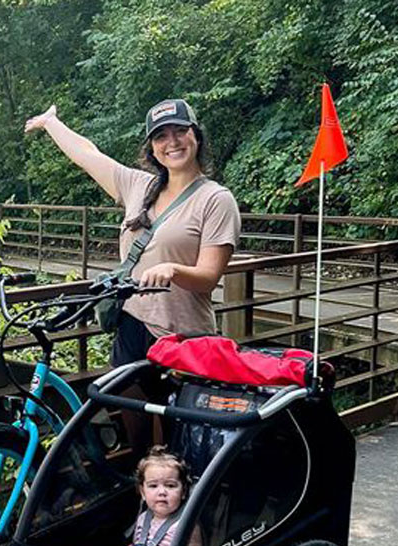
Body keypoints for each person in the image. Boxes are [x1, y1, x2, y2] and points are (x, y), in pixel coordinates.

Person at [24, 98, 242, 366]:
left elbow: (209, 277)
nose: (172, 142)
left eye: (180, 131)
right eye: (161, 136)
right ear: (152, 147)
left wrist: (172, 269)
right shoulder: (138, 185)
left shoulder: (216, 199)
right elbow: (88, 155)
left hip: (183, 336)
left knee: (171, 409)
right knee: (125, 406)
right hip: (130, 326)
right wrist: (51, 123)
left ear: (196, 136)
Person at [76, 446, 203, 546]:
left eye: (170, 485)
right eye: (153, 486)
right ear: (143, 492)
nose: (162, 492)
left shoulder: (186, 523)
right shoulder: (144, 517)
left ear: (184, 492)